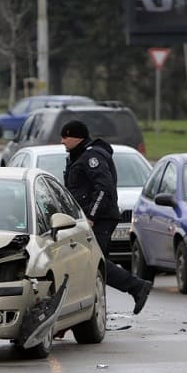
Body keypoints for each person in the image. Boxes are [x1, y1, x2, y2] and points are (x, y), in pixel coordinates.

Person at [61, 120, 152, 315]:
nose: (62, 141)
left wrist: (92, 215)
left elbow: (104, 188)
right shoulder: (76, 156)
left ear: (77, 137)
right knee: (95, 263)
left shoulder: (92, 157)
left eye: (65, 137)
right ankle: (128, 292)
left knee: (95, 262)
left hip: (100, 218)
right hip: (88, 218)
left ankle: (136, 287)